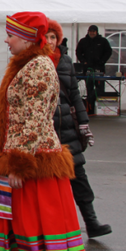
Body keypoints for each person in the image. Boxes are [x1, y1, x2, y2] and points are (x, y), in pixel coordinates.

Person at [0, 12, 86, 251]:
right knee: (26, 227)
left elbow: (33, 119)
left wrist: (19, 163)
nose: (6, 40)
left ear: (28, 37)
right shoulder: (28, 64)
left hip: (33, 162)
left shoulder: (38, 67)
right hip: (26, 156)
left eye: (11, 35)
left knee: (33, 229)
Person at [46, 20, 112, 238]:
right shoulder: (34, 62)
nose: (50, 41)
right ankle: (49, 229)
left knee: (79, 178)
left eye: (54, 37)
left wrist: (84, 124)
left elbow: (75, 95)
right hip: (46, 131)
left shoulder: (65, 61)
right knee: (48, 183)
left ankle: (91, 222)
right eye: (46, 37)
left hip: (68, 129)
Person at [75, 25, 113, 114]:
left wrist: (102, 61)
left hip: (99, 69)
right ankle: (90, 108)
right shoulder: (83, 41)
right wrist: (83, 61)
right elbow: (78, 52)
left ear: (96, 32)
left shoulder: (103, 41)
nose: (92, 33)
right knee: (89, 89)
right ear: (88, 32)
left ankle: (101, 109)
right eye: (90, 31)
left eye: (93, 31)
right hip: (87, 69)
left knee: (100, 89)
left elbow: (109, 51)